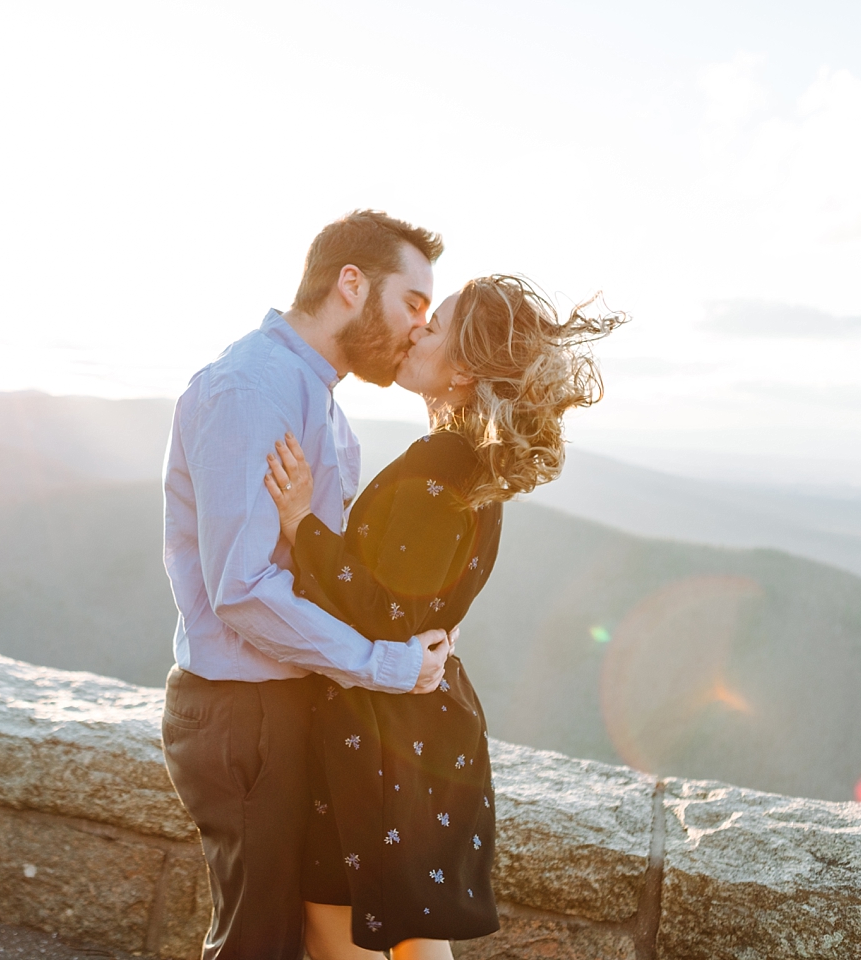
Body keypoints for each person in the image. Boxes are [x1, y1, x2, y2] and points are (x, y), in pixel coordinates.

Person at [262, 274, 626, 960]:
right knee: (413, 925)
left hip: (379, 733)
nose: (418, 329)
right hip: (429, 727)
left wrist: (301, 521)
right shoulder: (475, 470)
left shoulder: (437, 466)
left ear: (462, 371)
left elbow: (382, 609)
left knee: (336, 923)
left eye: (437, 326)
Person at [161, 210, 457, 960]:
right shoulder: (253, 388)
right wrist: (388, 665)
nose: (418, 329)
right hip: (244, 712)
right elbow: (245, 588)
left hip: (284, 703)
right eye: (412, 304)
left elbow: (320, 570)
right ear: (351, 284)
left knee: (292, 940)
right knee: (256, 945)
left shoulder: (313, 393)